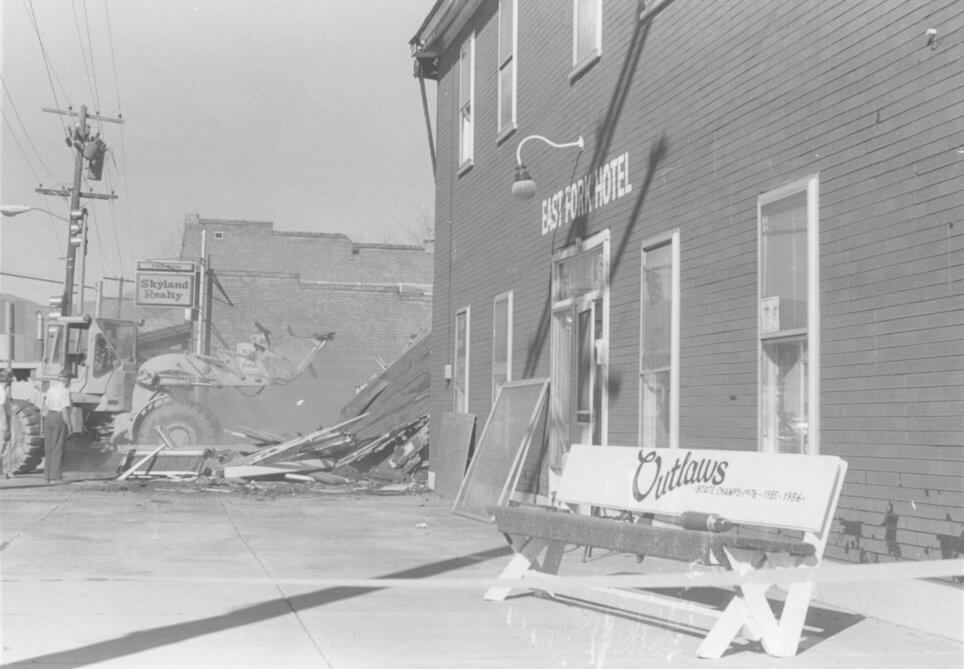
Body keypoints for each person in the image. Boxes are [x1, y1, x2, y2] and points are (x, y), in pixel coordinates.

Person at [43, 371, 72, 483]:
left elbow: (45, 406)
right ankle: (54, 477)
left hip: (49, 416)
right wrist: (69, 425)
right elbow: (65, 410)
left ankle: (46, 476)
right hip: (59, 417)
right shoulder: (65, 391)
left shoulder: (50, 389)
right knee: (57, 448)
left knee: (48, 447)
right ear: (67, 380)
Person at [0, 369, 12, 477]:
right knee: (1, 446)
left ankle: (3, 471)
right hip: (2, 421)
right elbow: (2, 410)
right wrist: (5, 427)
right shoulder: (2, 391)